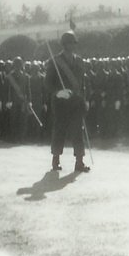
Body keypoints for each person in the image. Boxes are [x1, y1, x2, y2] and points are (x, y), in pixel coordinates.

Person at [45, 31, 90, 172]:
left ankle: (79, 161)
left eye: (73, 43)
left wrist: (85, 98)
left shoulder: (79, 60)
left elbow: (83, 83)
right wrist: (58, 92)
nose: (72, 46)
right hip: (61, 102)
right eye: (69, 43)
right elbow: (47, 82)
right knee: (60, 131)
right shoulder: (54, 61)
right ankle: (55, 160)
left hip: (76, 101)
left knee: (78, 131)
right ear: (64, 45)